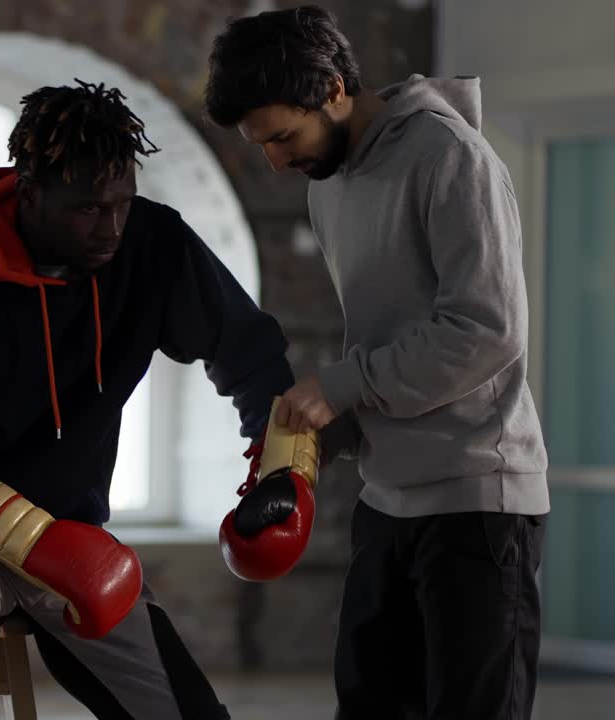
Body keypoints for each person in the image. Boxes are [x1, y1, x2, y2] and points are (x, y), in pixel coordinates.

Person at [0, 79, 296, 719]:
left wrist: (281, 464)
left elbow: (249, 351)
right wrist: (24, 535)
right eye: (86, 209)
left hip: (74, 540)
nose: (110, 227)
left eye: (122, 203)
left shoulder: (151, 245)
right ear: (29, 194)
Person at [205, 6, 550, 719]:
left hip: (476, 503)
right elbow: (384, 335)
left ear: (333, 89)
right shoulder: (327, 186)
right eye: (260, 143)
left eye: (282, 136)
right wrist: (334, 434)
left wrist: (340, 387)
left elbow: (487, 330)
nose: (275, 159)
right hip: (384, 502)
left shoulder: (450, 156)